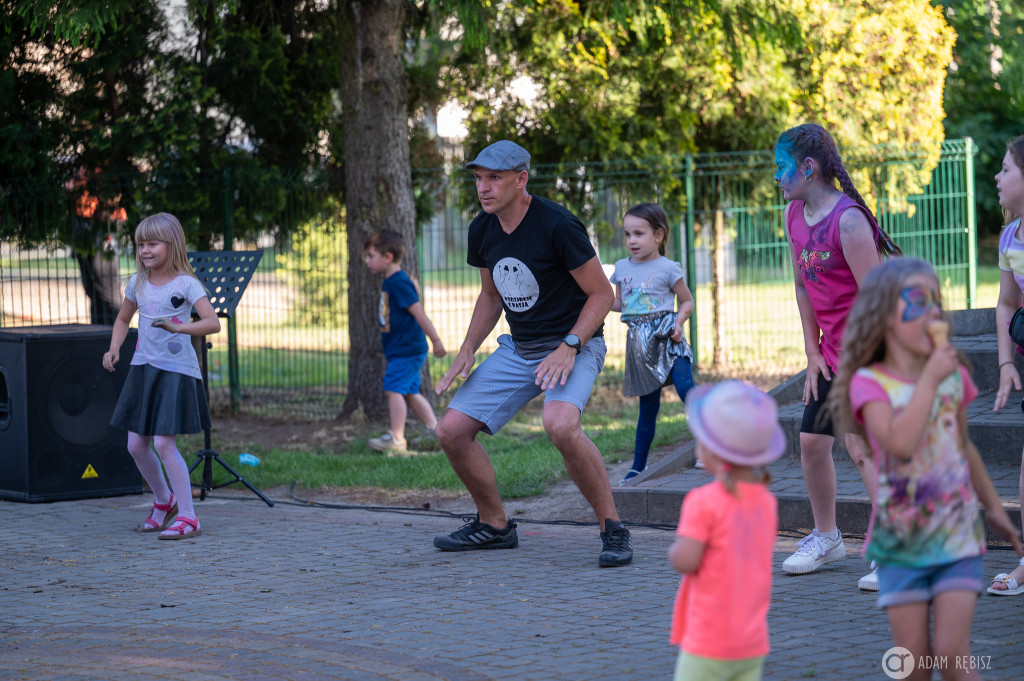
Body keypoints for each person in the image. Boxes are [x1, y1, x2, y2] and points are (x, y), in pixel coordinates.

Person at [433, 139, 632, 567]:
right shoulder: (481, 229)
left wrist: (570, 345)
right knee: (450, 431)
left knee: (560, 425)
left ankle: (613, 529)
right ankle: (495, 526)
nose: (483, 188)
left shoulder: (558, 225)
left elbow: (600, 295)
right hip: (520, 349)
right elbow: (490, 295)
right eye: (478, 179)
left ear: (521, 179)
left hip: (576, 345)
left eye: (494, 178)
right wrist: (468, 347)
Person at [830, 256, 1022, 681]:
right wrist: (931, 381)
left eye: (936, 301)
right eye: (917, 302)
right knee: (913, 662)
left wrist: (996, 512)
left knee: (954, 656)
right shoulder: (869, 383)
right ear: (883, 318)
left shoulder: (949, 374)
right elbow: (898, 443)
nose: (934, 312)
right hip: (901, 543)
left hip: (958, 537)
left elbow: (963, 447)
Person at [774, 122, 901, 587]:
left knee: (862, 448)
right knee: (811, 444)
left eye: (782, 168)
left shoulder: (848, 221)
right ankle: (827, 537)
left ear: (808, 168)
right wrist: (813, 352)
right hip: (831, 353)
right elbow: (802, 289)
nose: (777, 178)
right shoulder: (793, 217)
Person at [103, 212, 221, 539]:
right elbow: (123, 320)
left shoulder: (186, 284)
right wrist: (114, 348)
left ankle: (188, 516)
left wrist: (180, 326)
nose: (145, 250)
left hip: (175, 371)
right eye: (140, 244)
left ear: (172, 245)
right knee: (136, 445)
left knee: (164, 443)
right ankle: (163, 500)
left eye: (152, 243)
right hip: (143, 369)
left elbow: (212, 322)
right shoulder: (137, 283)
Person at [668, 380, 783, 681]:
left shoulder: (703, 502)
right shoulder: (767, 502)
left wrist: (675, 549)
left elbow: (685, 560)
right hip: (751, 642)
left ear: (714, 452)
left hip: (708, 642)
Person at [609, 203, 696, 485]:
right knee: (648, 409)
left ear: (658, 235)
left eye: (639, 234)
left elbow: (687, 300)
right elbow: (619, 303)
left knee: (686, 389)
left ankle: (712, 446)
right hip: (639, 344)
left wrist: (679, 322)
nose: (631, 240)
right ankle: (637, 468)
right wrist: (589, 299)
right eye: (627, 234)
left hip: (668, 335)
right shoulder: (621, 268)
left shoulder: (669, 268)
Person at [363, 229, 447, 453]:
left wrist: (436, 341)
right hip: (402, 349)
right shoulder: (391, 282)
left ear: (387, 257)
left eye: (371, 256)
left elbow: (419, 313)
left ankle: (397, 440)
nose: (367, 261)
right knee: (409, 392)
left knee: (393, 389)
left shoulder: (399, 283)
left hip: (407, 350)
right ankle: (436, 430)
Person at [990, 133, 1024, 595]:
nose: (997, 177)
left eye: (1007, 169)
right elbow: (1004, 304)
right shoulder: (1010, 236)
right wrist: (1004, 364)